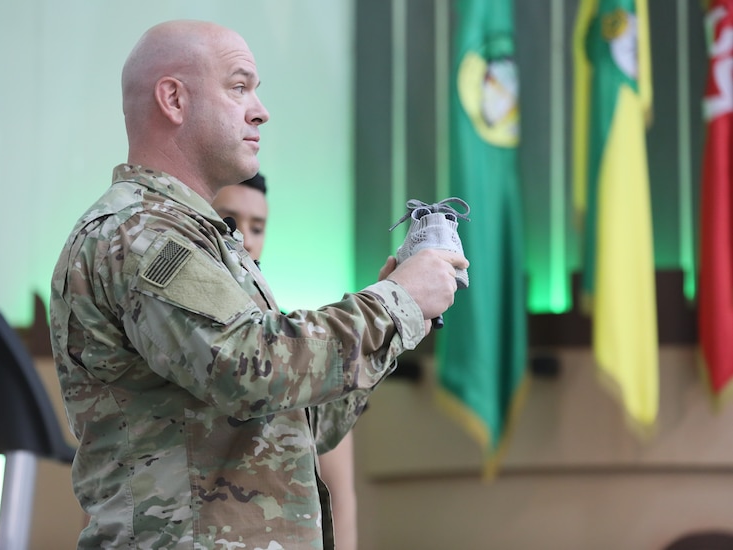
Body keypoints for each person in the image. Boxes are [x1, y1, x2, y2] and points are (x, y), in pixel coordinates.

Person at [49, 19, 468, 549]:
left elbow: (295, 422)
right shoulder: (141, 235)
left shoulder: (198, 238)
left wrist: (404, 316)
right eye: (239, 86)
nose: (260, 110)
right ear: (173, 99)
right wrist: (395, 302)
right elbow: (249, 367)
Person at [212, 174, 359, 550]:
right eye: (228, 222)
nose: (244, 238)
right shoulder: (162, 323)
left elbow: (338, 494)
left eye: (257, 227)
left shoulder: (303, 343)